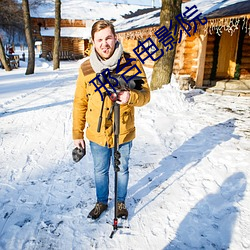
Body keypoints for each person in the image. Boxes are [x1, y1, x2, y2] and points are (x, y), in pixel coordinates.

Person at [72, 20, 150, 220]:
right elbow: (80, 102)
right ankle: (101, 202)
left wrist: (130, 97)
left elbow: (145, 95)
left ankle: (121, 202)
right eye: (99, 40)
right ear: (93, 42)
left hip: (123, 130)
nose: (104, 43)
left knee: (122, 168)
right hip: (97, 133)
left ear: (116, 38)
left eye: (108, 38)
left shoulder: (132, 63)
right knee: (100, 170)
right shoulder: (86, 68)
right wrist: (77, 134)